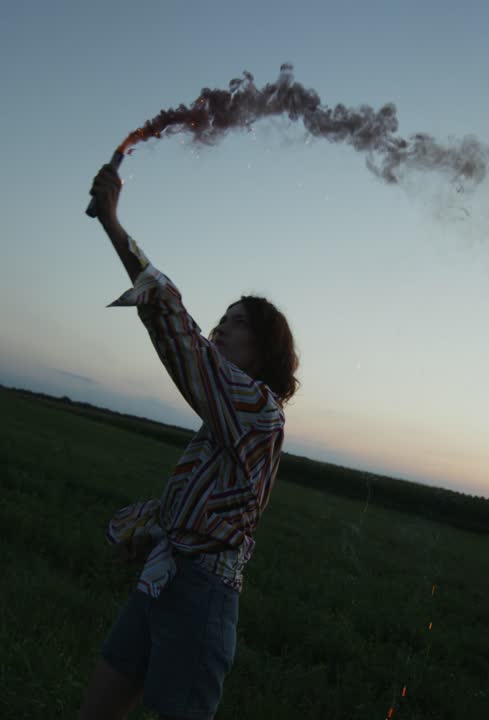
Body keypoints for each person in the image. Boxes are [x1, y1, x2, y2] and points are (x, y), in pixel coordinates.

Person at [78, 163, 299, 720]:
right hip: (163, 581)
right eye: (220, 319)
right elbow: (201, 509)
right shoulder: (223, 416)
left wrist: (112, 224)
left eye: (236, 323)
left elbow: (176, 328)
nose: (219, 328)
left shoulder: (258, 412)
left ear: (266, 349)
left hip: (200, 602)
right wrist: (148, 529)